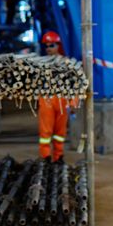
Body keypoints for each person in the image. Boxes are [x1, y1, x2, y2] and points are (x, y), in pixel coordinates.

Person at [38, 30, 73, 162]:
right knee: (45, 132)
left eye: (51, 45)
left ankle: (58, 157)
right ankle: (45, 157)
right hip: (47, 100)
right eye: (46, 46)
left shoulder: (67, 63)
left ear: (58, 46)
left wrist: (73, 102)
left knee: (60, 132)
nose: (48, 48)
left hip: (62, 101)